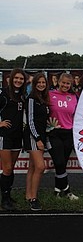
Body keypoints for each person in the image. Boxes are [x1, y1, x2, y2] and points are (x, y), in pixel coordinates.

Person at [46, 73, 79, 200]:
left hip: (68, 133)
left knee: (62, 164)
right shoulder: (49, 95)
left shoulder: (74, 97)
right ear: (58, 82)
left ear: (71, 85)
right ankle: (67, 190)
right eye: (63, 82)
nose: (65, 85)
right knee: (59, 162)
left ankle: (57, 190)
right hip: (53, 133)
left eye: (68, 83)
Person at [0, 68, 27, 211]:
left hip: (17, 136)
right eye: (16, 78)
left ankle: (8, 195)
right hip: (4, 136)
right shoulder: (3, 94)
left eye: (21, 79)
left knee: (11, 168)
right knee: (7, 168)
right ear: (10, 79)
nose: (18, 81)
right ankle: (4, 199)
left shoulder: (22, 95)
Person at [23, 73, 50, 211]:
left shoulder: (43, 99)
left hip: (41, 136)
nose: (41, 84)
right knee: (40, 167)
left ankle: (28, 195)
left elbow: (43, 121)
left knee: (33, 168)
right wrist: (38, 138)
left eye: (43, 83)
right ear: (34, 84)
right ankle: (34, 199)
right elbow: (30, 121)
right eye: (38, 82)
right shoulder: (32, 99)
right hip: (33, 137)